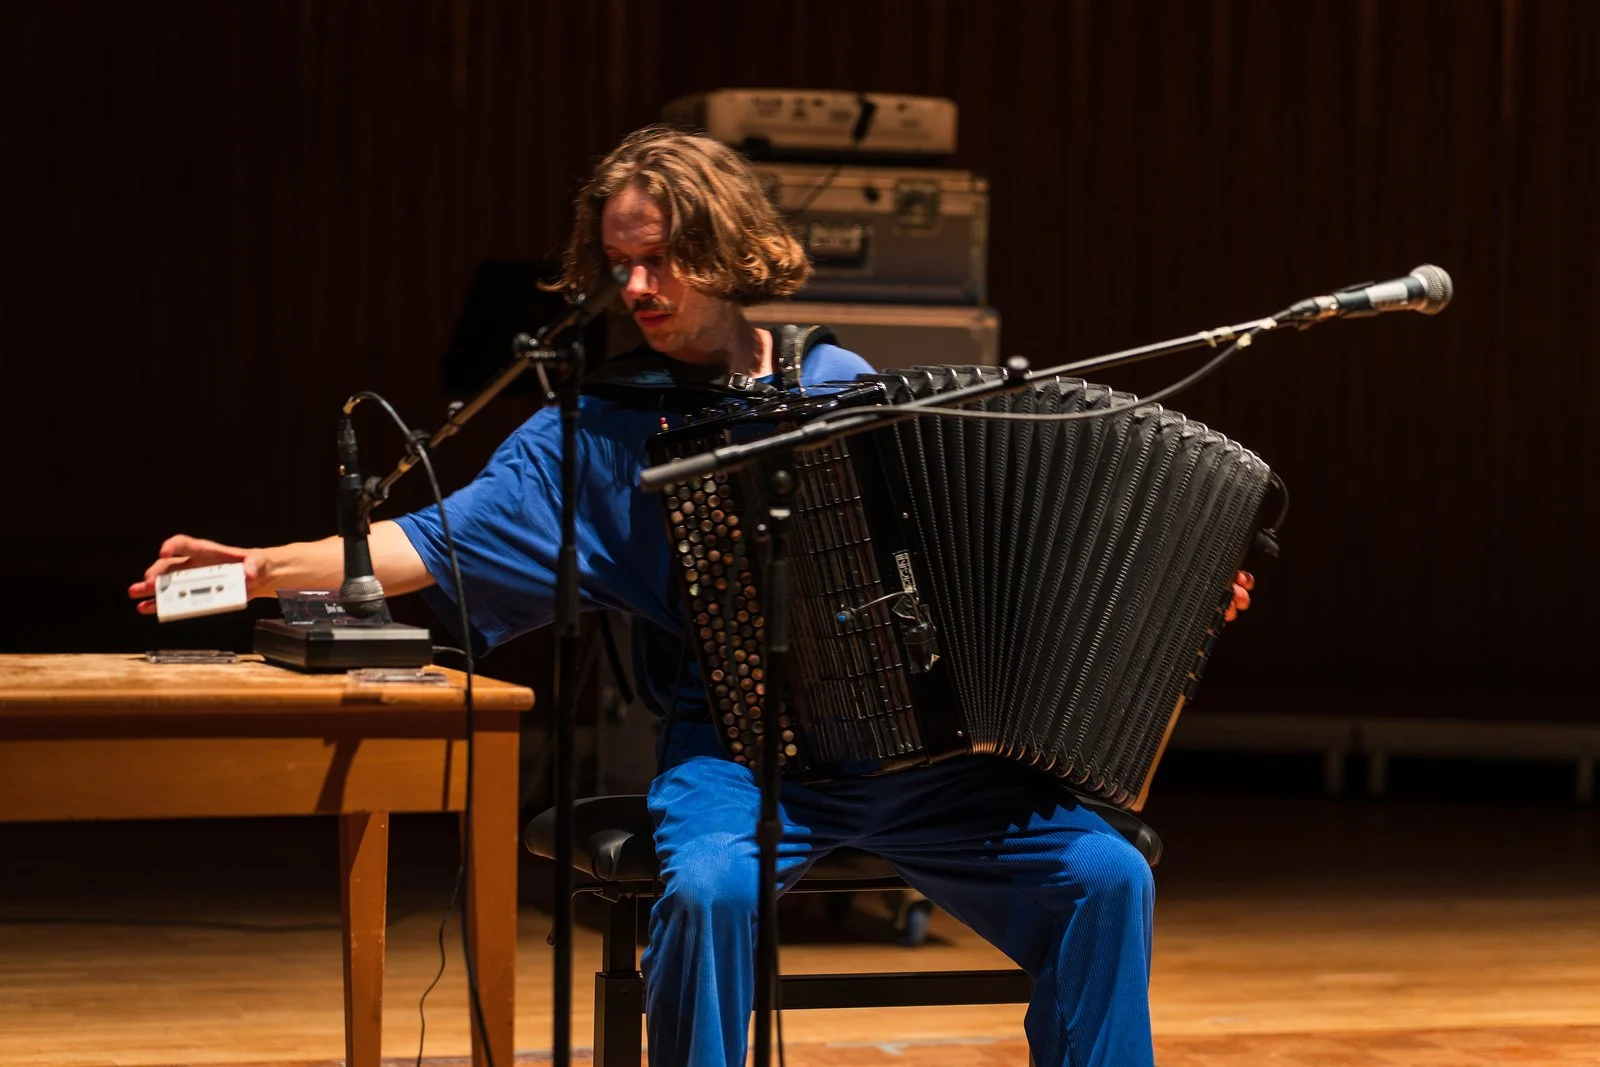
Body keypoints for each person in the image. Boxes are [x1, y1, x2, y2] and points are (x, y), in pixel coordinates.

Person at [129, 125, 1254, 1067]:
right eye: (619, 263)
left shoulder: (839, 386)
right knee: (711, 889)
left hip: (917, 757)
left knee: (1105, 873)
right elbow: (418, 542)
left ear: (728, 251)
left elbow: (970, 562)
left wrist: (1180, 591)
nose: (636, 288)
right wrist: (258, 567)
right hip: (736, 752)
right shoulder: (593, 432)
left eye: (661, 258)